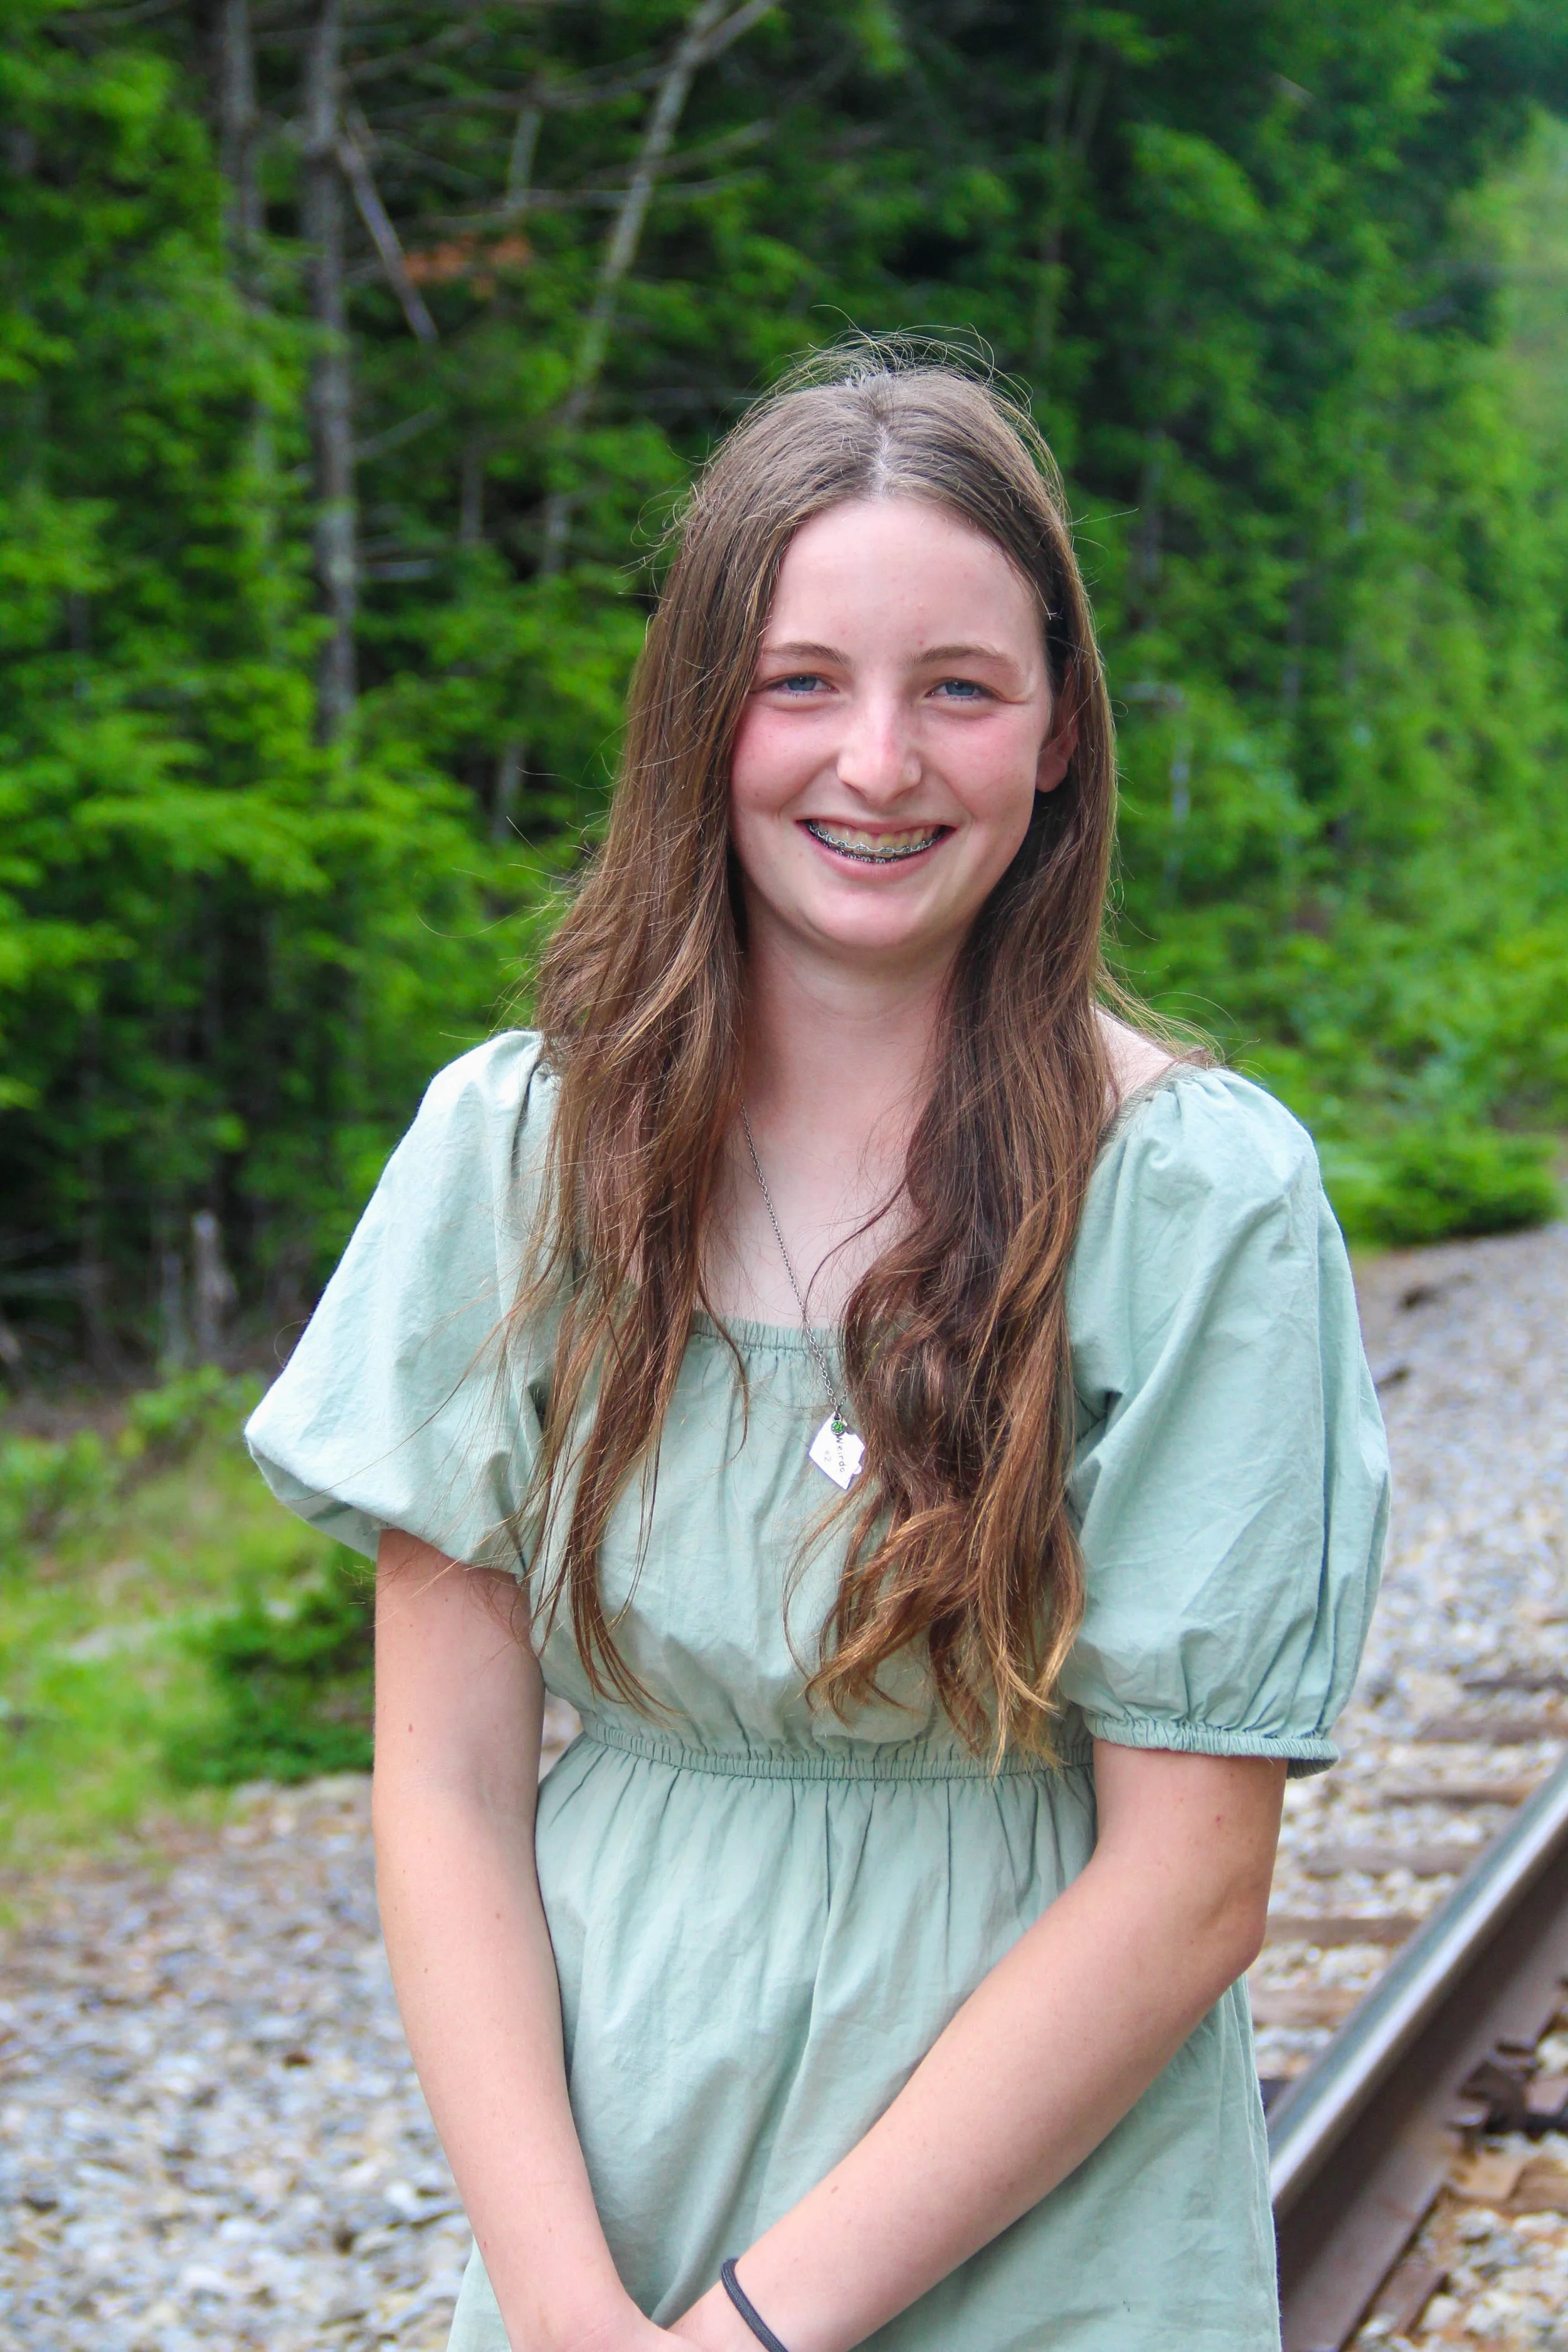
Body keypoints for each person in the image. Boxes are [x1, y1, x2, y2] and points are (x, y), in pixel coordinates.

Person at [246, 349, 1389, 2352]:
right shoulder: (512, 1157)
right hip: (610, 2178)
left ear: (1055, 736)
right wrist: (566, 2302)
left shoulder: (1193, 1199)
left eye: (959, 685)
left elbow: (1189, 1884)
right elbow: (440, 1782)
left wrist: (766, 2331)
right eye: (802, 682)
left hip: (1045, 2216)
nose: (878, 762)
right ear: (701, 720)